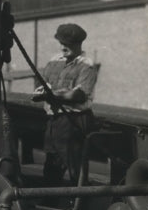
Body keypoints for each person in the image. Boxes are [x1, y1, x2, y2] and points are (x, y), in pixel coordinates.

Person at [32, 23, 98, 185]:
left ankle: (79, 205)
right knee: (52, 167)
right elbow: (44, 81)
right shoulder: (54, 61)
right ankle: (51, 205)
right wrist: (41, 91)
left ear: (78, 44)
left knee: (75, 168)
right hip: (54, 121)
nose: (63, 47)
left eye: (68, 44)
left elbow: (79, 95)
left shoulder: (87, 65)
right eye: (61, 43)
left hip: (74, 120)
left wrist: (51, 95)